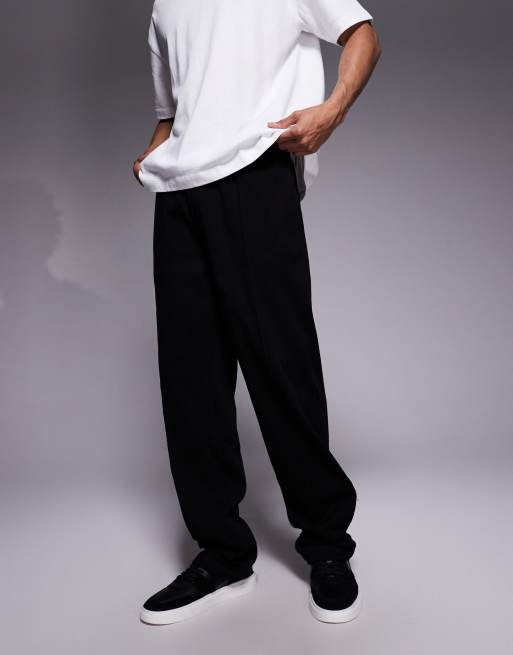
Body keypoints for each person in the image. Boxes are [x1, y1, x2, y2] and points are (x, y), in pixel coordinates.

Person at [134, 0, 380, 626]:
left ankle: (327, 545)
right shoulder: (165, 6)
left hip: (255, 173)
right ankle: (222, 552)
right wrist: (153, 155)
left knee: (281, 366)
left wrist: (332, 110)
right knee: (191, 380)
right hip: (179, 196)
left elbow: (362, 36)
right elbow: (172, 110)